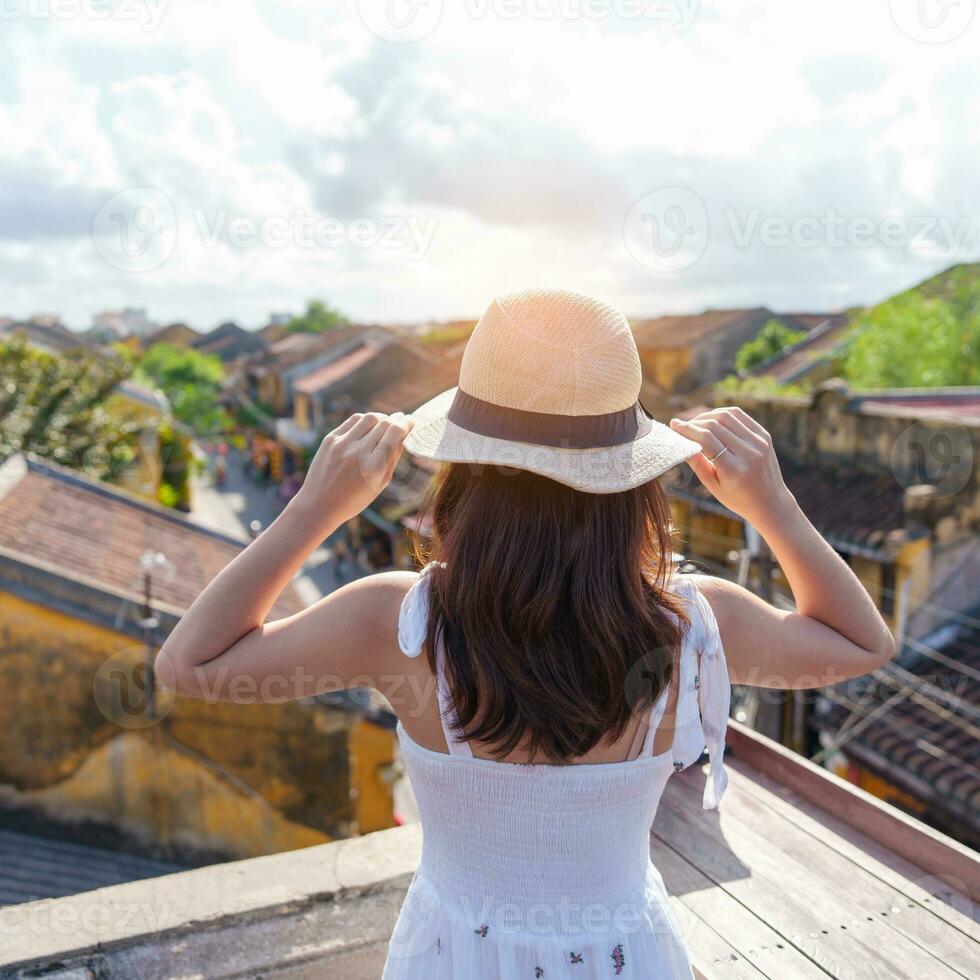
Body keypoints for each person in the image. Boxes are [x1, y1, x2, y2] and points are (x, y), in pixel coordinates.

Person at [156, 289, 894, 978]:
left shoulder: (395, 622)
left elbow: (191, 664)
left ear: (464, 470)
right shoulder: (695, 623)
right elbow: (862, 643)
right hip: (625, 955)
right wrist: (772, 503)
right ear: (633, 479)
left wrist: (317, 506)